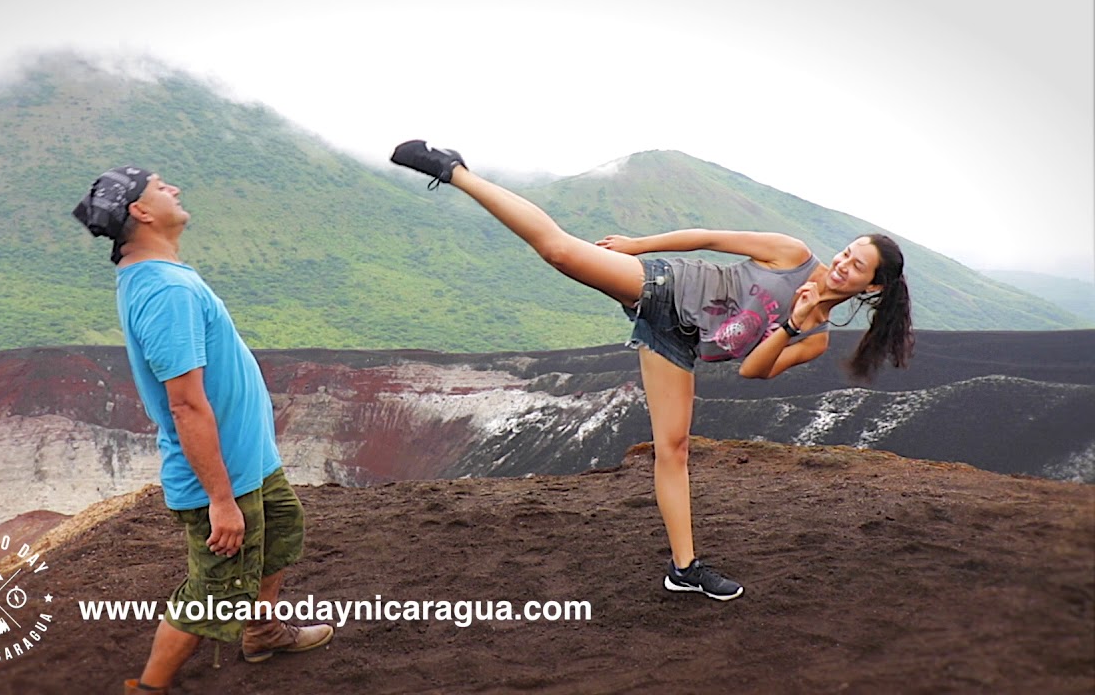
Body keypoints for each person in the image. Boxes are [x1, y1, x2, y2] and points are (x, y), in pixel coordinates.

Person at [389, 141, 914, 601]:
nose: (841, 263)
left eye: (855, 266)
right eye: (847, 251)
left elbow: (753, 371)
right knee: (559, 251)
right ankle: (454, 171)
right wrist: (638, 246)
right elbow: (709, 237)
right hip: (666, 285)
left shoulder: (814, 340)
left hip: (677, 341)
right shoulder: (792, 255)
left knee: (675, 448)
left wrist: (792, 324)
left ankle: (683, 569)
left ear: (871, 288)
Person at [72, 167, 333, 694]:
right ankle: (149, 689)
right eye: (160, 187)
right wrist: (220, 499)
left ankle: (262, 632)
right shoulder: (165, 291)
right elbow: (186, 405)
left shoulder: (163, 274)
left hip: (247, 462)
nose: (175, 190)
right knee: (211, 593)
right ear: (141, 212)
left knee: (281, 533)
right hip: (221, 477)